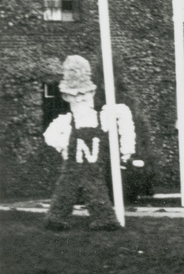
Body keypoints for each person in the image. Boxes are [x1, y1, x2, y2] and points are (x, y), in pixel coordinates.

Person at [42, 55, 136, 231]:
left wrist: (127, 147)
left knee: (97, 191)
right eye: (73, 95)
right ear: (66, 97)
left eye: (83, 94)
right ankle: (55, 219)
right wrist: (63, 146)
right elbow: (49, 135)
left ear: (92, 93)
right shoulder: (67, 120)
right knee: (64, 192)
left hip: (94, 167)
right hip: (72, 167)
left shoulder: (103, 117)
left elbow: (124, 113)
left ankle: (104, 220)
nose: (79, 99)